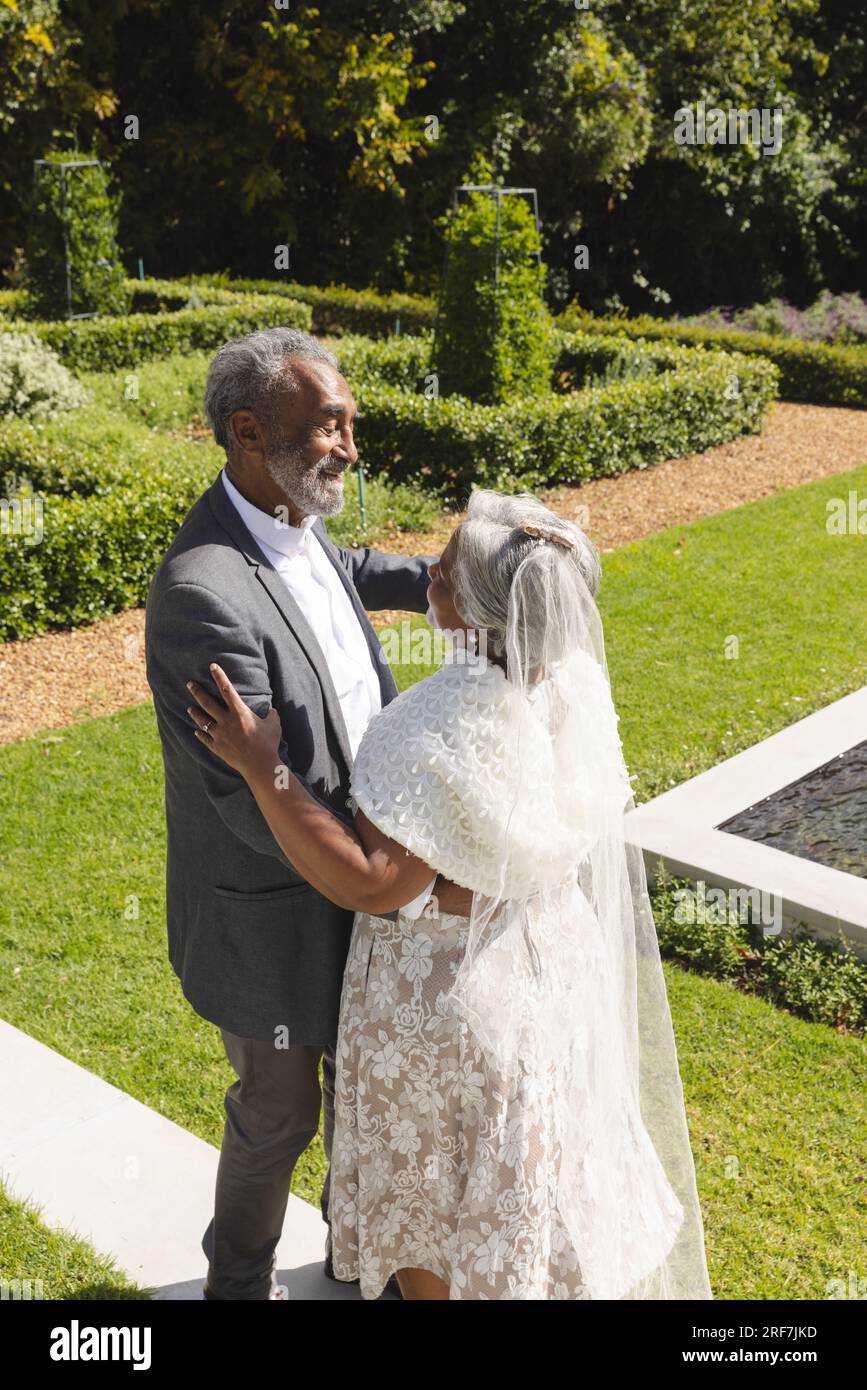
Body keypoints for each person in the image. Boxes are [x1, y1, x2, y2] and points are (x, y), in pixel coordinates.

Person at [185, 487, 714, 1301]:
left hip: (446, 1005)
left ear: (474, 610)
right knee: (521, 1189)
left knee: (436, 1204)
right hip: (548, 972)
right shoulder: (567, 682)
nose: (427, 569)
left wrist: (265, 768)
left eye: (444, 568)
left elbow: (374, 881)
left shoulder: (439, 719)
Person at [145, 326, 470, 1301]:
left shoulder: (288, 511)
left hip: (359, 872)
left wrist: (432, 581)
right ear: (248, 431)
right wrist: (382, 856)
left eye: (349, 423)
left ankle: (349, 1255)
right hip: (274, 909)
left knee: (364, 1095)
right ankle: (236, 1283)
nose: (348, 446)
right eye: (327, 425)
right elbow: (244, 798)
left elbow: (338, 566)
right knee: (278, 1112)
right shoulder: (203, 595)